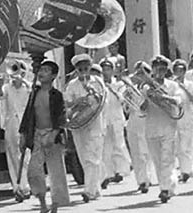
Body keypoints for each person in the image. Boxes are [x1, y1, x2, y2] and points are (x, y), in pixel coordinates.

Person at [17, 57, 69, 213]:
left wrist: (54, 135)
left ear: (53, 76)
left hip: (53, 136)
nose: (42, 73)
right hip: (38, 135)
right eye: (41, 70)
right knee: (33, 171)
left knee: (56, 173)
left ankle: (54, 209)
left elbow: (62, 117)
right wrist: (23, 135)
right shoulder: (34, 93)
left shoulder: (57, 95)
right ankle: (42, 204)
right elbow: (27, 116)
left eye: (46, 71)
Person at [142, 55, 184, 204]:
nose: (159, 71)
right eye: (157, 68)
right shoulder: (146, 87)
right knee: (158, 161)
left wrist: (164, 97)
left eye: (162, 69)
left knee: (167, 158)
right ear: (152, 69)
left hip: (168, 126)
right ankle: (169, 185)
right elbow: (140, 109)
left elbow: (179, 100)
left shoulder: (172, 85)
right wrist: (148, 98)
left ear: (166, 70)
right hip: (152, 127)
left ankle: (164, 190)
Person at [64, 55, 105, 202]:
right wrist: (77, 102)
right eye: (80, 69)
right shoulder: (72, 85)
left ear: (90, 67)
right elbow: (67, 104)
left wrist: (91, 91)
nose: (83, 71)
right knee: (83, 157)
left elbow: (102, 100)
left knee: (93, 157)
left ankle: (89, 190)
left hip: (94, 123)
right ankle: (95, 189)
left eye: (86, 68)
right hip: (79, 124)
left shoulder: (98, 81)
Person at [0, 60, 33, 201]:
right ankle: (18, 187)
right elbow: (0, 95)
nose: (16, 73)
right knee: (13, 155)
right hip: (12, 123)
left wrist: (23, 81)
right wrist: (0, 83)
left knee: (26, 155)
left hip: (26, 123)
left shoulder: (28, 86)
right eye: (14, 70)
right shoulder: (7, 87)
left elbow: (33, 94)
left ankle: (26, 185)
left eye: (19, 70)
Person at [97, 57, 130, 189]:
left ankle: (120, 170)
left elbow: (123, 100)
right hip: (105, 118)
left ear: (112, 70)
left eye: (108, 69)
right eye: (104, 69)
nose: (106, 72)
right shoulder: (98, 84)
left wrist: (113, 89)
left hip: (116, 117)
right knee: (106, 147)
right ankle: (108, 173)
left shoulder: (119, 84)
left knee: (119, 144)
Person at [126, 61, 158, 195]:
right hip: (133, 121)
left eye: (143, 73)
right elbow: (126, 108)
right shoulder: (130, 88)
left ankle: (149, 177)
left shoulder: (150, 88)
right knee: (136, 153)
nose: (140, 75)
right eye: (138, 73)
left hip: (147, 121)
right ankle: (142, 181)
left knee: (148, 152)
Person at [172, 55, 193, 183]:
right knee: (178, 145)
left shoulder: (190, 83)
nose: (179, 73)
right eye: (177, 70)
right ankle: (181, 169)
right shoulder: (171, 84)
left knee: (187, 144)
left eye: (182, 70)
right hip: (175, 116)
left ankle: (187, 171)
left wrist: (183, 87)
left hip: (188, 115)